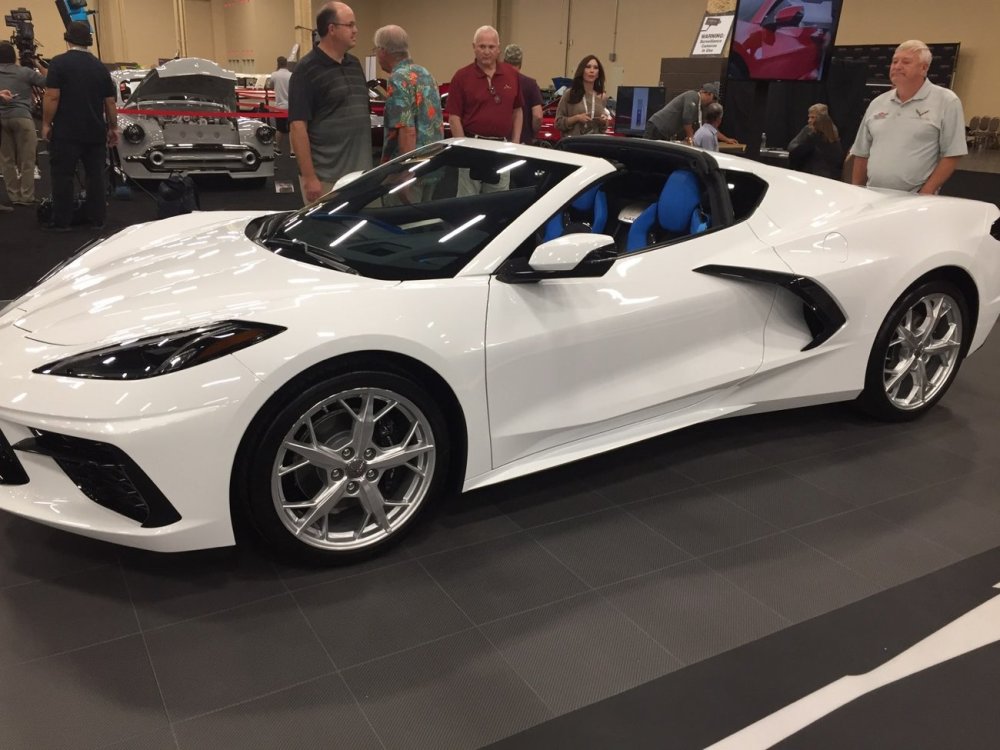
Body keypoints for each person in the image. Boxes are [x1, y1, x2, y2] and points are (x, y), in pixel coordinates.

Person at [851, 40, 967, 194]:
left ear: (924, 68)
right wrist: (856, 192)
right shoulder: (877, 103)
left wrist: (926, 191)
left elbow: (953, 153)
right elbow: (861, 152)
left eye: (906, 62)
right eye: (894, 61)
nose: (897, 66)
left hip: (914, 200)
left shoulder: (946, 101)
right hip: (872, 196)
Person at [288, 1, 372, 204]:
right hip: (326, 179)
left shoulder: (354, 64)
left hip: (361, 175)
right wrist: (309, 178)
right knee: (324, 234)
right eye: (350, 25)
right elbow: (298, 127)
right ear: (331, 29)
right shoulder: (306, 70)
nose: (356, 30)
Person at [41, 21, 117, 231]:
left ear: (67, 40)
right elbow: (110, 102)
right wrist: (113, 128)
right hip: (95, 131)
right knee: (95, 176)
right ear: (89, 42)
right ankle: (98, 219)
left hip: (66, 132)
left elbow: (52, 97)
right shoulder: (100, 67)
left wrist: (46, 123)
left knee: (63, 177)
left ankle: (62, 221)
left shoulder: (58, 63)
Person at [374, 24, 443, 163]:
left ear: (383, 51)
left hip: (411, 169)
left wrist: (405, 176)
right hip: (432, 163)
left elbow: (407, 132)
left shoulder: (398, 79)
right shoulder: (425, 73)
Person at [447, 25, 523, 143]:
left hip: (505, 146)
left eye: (491, 47)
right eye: (482, 46)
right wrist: (463, 148)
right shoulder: (461, 77)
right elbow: (454, 118)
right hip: (472, 145)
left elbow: (517, 110)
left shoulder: (512, 74)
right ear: (474, 47)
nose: (487, 52)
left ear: (498, 48)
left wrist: (516, 142)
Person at [0, 41, 46, 206]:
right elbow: (48, 81)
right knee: (27, 158)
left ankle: (13, 195)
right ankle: (26, 195)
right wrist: (36, 63)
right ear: (14, 56)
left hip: (1, 119)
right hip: (22, 117)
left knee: (6, 159)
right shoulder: (24, 72)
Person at [555, 55, 608, 138]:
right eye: (588, 67)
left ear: (598, 74)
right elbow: (558, 123)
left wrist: (604, 122)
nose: (592, 71)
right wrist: (577, 118)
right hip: (573, 144)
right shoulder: (569, 94)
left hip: (594, 144)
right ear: (582, 71)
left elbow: (603, 129)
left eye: (595, 68)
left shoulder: (602, 97)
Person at [644, 82, 717, 143]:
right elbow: (686, 119)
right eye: (714, 98)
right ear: (708, 94)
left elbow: (701, 126)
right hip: (657, 127)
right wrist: (691, 139)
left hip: (664, 132)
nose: (713, 102)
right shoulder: (692, 95)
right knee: (647, 155)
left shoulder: (699, 107)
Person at [502, 43, 543, 145]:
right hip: (523, 141)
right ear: (520, 63)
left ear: (504, 61)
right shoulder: (531, 84)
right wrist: (533, 133)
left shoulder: (496, 82)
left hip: (499, 140)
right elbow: (538, 116)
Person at [789, 112, 843, 179]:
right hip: (832, 180)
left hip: (813, 179)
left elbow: (794, 155)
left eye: (812, 118)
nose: (809, 121)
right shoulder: (837, 143)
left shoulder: (813, 139)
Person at [267, 56, 292, 155]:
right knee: (291, 130)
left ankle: (277, 147)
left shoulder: (274, 75)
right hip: (291, 106)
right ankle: (292, 151)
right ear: (286, 64)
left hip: (279, 106)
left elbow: (270, 86)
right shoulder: (291, 75)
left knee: (280, 129)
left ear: (278, 63)